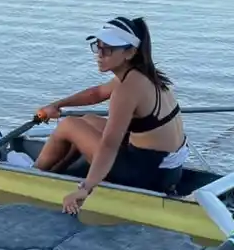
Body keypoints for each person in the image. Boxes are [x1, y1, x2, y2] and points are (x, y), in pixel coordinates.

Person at [31, 16, 190, 214]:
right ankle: (56, 172)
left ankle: (31, 175)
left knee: (69, 124)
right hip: (171, 171)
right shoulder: (143, 75)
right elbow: (96, 93)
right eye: (98, 47)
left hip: (146, 176)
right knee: (88, 120)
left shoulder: (127, 90)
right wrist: (56, 105)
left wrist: (85, 189)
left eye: (108, 50)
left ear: (129, 52)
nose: (99, 55)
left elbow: (109, 145)